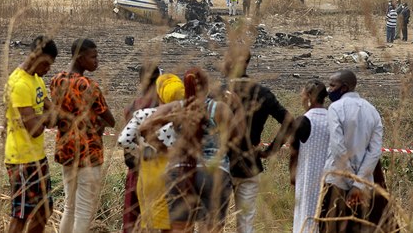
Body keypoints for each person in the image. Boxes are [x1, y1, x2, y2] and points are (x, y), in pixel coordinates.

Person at [140, 68, 243, 233]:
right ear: (206, 86)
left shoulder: (177, 108)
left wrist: (165, 149)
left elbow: (145, 127)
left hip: (180, 172)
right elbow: (238, 138)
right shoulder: (220, 109)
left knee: (180, 228)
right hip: (214, 172)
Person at [223, 48, 294, 233]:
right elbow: (289, 121)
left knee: (215, 223)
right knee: (246, 223)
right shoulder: (262, 93)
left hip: (221, 163)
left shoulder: (219, 93)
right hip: (250, 163)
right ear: (247, 63)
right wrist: (270, 150)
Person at [50, 39, 116, 233]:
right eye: (93, 56)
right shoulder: (89, 86)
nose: (97, 61)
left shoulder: (57, 80)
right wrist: (99, 122)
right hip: (89, 152)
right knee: (84, 209)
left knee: (69, 206)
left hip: (66, 150)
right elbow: (110, 119)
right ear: (80, 58)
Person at [4, 36, 58, 233]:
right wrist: (45, 115)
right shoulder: (18, 84)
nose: (48, 69)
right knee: (21, 215)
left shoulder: (36, 80)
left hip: (37, 157)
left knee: (44, 210)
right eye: (47, 64)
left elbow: (52, 116)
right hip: (21, 159)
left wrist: (43, 116)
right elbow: (35, 130)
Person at [319, 70, 383, 233]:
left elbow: (338, 148)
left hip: (336, 182)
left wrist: (349, 181)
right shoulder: (372, 111)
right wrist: (358, 184)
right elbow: (374, 152)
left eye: (333, 85)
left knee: (330, 227)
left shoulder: (335, 108)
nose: (329, 89)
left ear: (344, 87)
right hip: (363, 188)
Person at [118, 68, 175, 233]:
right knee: (166, 220)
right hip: (163, 170)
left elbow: (124, 139)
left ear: (141, 82)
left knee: (133, 218)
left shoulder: (133, 108)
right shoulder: (167, 107)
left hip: (137, 167)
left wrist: (138, 152)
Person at [289, 81, 330, 233]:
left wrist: (292, 176)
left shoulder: (302, 121)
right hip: (330, 178)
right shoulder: (333, 119)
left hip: (307, 177)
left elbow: (294, 153)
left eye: (302, 95)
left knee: (305, 216)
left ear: (309, 98)